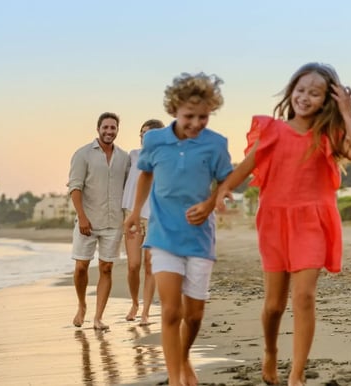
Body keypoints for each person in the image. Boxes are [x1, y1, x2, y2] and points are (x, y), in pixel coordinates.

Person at [208, 63, 351, 386]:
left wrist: (347, 112)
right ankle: (270, 351)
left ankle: (297, 374)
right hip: (275, 220)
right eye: (300, 90)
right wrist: (222, 191)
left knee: (305, 297)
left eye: (314, 93)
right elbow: (246, 167)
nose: (305, 97)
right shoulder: (272, 130)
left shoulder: (329, 135)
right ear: (290, 92)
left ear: (327, 100)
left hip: (314, 219)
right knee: (273, 305)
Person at [123, 73, 233, 386]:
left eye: (203, 116)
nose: (196, 123)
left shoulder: (216, 144)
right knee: (170, 311)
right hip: (163, 236)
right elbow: (144, 174)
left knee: (194, 315)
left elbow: (226, 181)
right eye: (189, 116)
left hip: (199, 238)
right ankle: (175, 378)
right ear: (173, 109)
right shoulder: (155, 140)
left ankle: (183, 357)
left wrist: (213, 202)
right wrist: (134, 213)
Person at [68, 112, 131, 330]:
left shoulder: (124, 158)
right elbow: (75, 187)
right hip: (88, 221)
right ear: (98, 129)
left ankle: (98, 318)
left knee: (106, 269)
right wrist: (82, 217)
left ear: (117, 130)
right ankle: (82, 305)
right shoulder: (83, 154)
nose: (109, 131)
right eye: (105, 127)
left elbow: (130, 188)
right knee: (81, 268)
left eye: (113, 128)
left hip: (113, 222)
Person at [122, 118, 165, 326]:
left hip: (156, 216)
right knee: (133, 265)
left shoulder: (166, 158)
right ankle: (134, 303)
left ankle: (146, 312)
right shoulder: (132, 156)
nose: (143, 137)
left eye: (148, 134)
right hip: (133, 213)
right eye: (142, 133)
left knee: (150, 265)